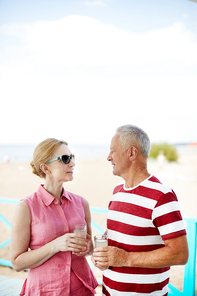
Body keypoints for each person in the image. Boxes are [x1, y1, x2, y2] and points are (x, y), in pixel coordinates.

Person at [92, 125, 188, 296]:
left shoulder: (162, 195)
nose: (108, 157)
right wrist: (101, 255)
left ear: (132, 153)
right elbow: (120, 238)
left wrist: (126, 259)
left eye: (113, 151)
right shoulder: (117, 193)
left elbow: (180, 254)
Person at [10, 138, 98, 296]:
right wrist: (55, 245)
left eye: (72, 158)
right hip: (44, 290)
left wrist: (88, 248)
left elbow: (89, 248)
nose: (72, 164)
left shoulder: (82, 203)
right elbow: (17, 263)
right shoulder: (26, 207)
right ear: (45, 168)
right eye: (65, 159)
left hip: (82, 289)